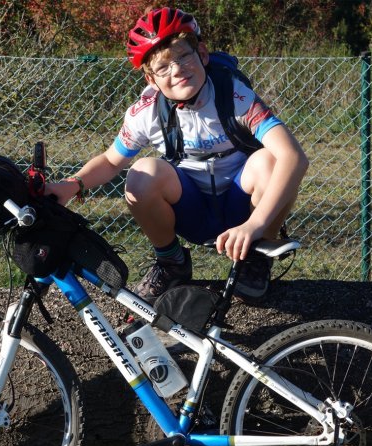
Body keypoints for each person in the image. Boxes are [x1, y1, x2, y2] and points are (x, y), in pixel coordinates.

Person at [46, 7, 308, 303]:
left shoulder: (235, 96)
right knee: (142, 173)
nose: (177, 69)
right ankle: (172, 262)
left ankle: (258, 256)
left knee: (270, 161)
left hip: (244, 208)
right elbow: (110, 161)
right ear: (150, 79)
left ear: (203, 55)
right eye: (163, 67)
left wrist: (255, 224)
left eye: (184, 56)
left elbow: (294, 157)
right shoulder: (147, 113)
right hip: (192, 211)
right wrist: (72, 184)